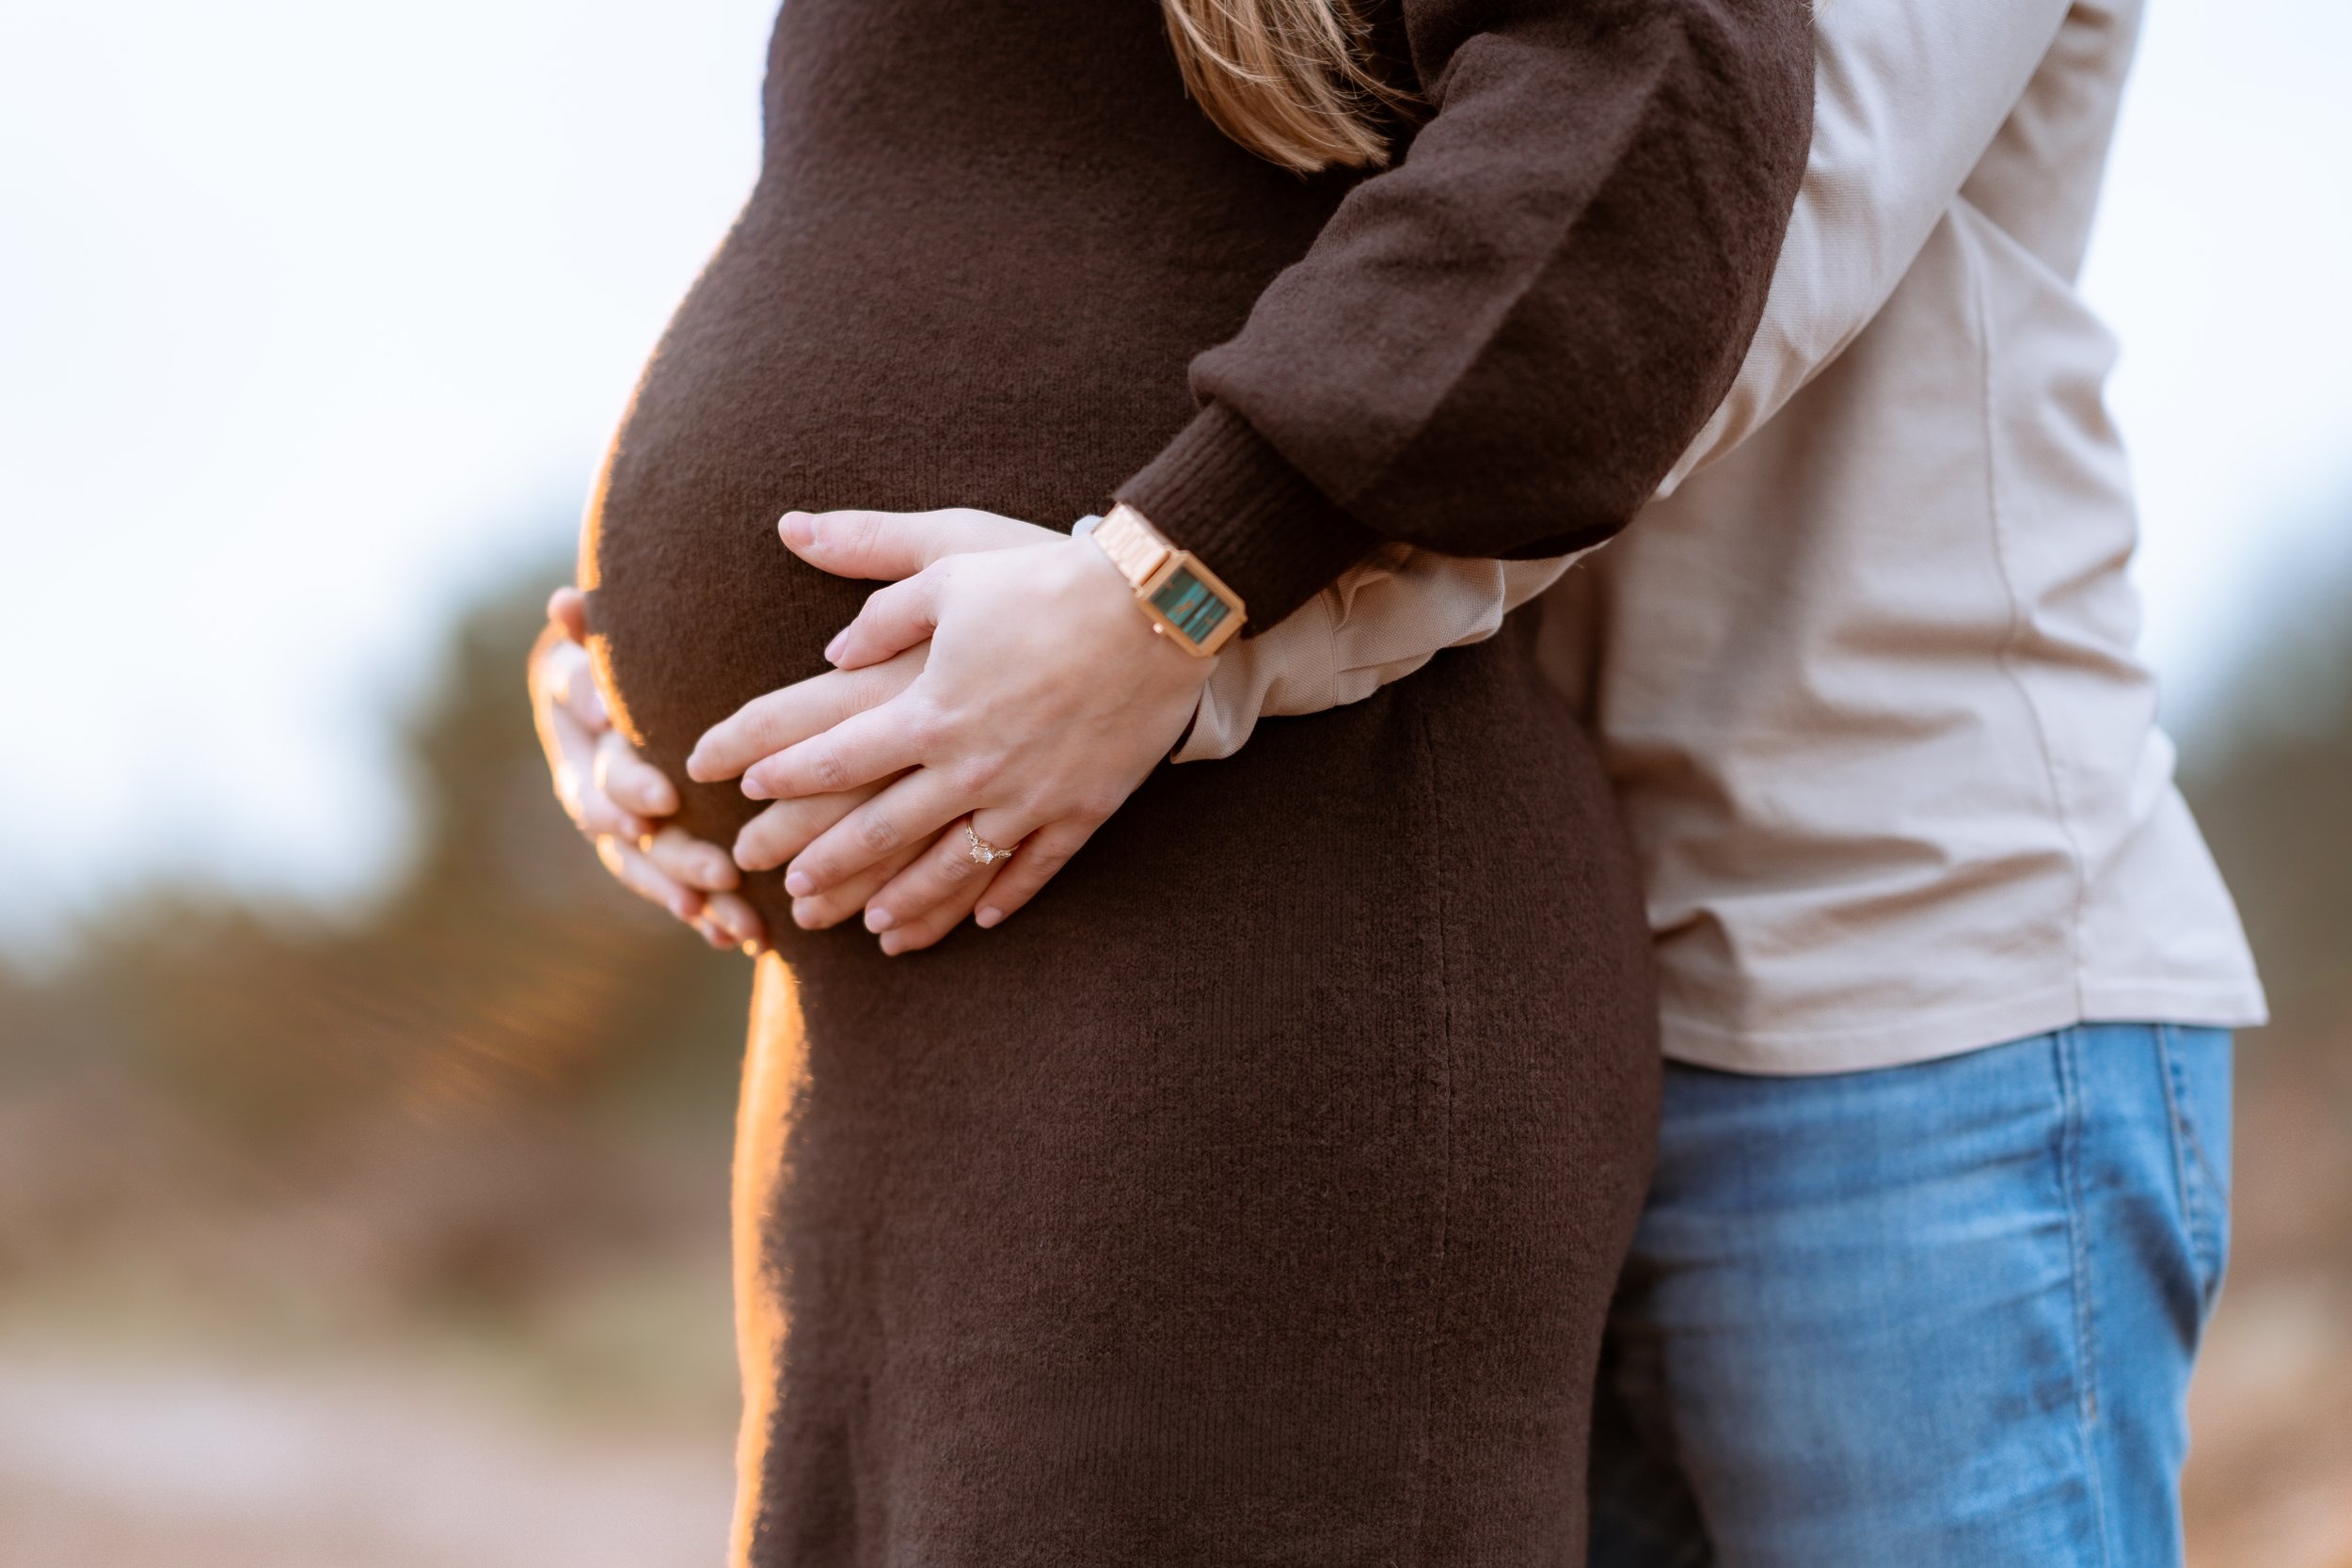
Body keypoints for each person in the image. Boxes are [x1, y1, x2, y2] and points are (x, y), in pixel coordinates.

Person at [541, 0, 2266, 1563]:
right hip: (1486, 911)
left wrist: (1156, 626)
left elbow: (1688, 278)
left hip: (1881, 980)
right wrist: (644, 655)